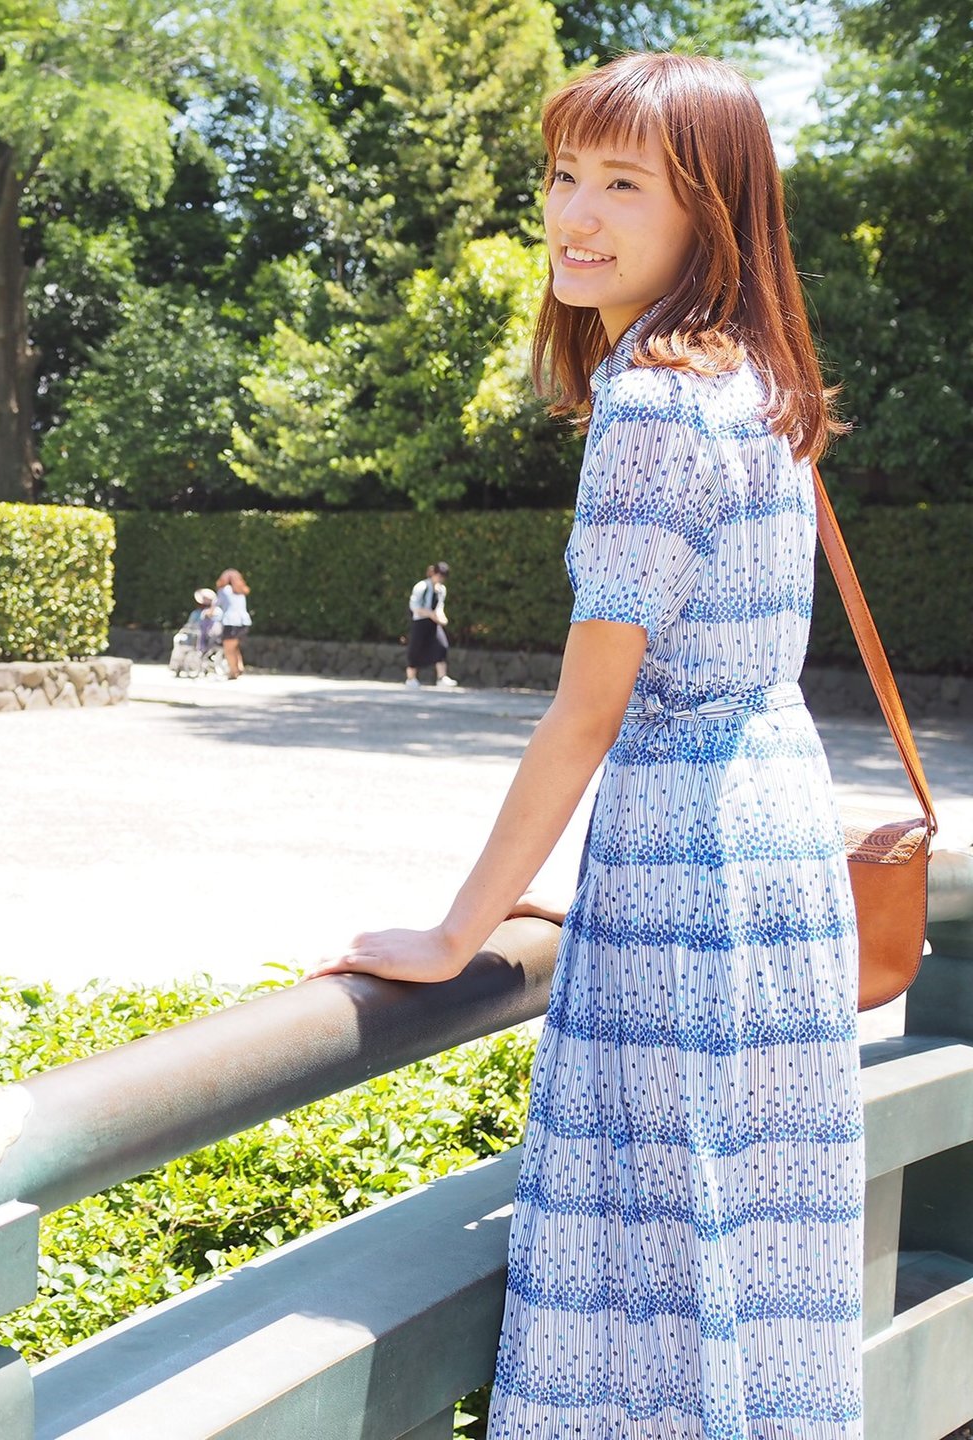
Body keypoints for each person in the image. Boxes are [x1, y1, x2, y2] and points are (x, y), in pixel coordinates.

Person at [306, 54, 861, 1440]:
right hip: (776, 838)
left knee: (648, 1289)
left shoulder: (656, 400)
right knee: (747, 1260)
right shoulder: (754, 381)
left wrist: (456, 931)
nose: (576, 216)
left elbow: (588, 713)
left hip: (686, 853)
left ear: (712, 215)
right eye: (563, 177)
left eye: (625, 185)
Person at [404, 562, 457, 689]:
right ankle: (411, 678)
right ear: (433, 573)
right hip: (420, 621)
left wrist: (442, 618)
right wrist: (430, 614)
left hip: (433, 622)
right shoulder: (422, 586)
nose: (441, 579)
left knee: (441, 645)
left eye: (443, 577)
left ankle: (441, 677)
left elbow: (440, 607)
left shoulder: (441, 590)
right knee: (416, 649)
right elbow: (414, 606)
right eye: (439, 575)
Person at [214, 569, 251, 678]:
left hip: (231, 621)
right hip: (244, 621)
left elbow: (217, 603)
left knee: (228, 649)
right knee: (235, 646)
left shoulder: (224, 590)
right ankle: (239, 667)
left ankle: (233, 671)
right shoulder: (241, 591)